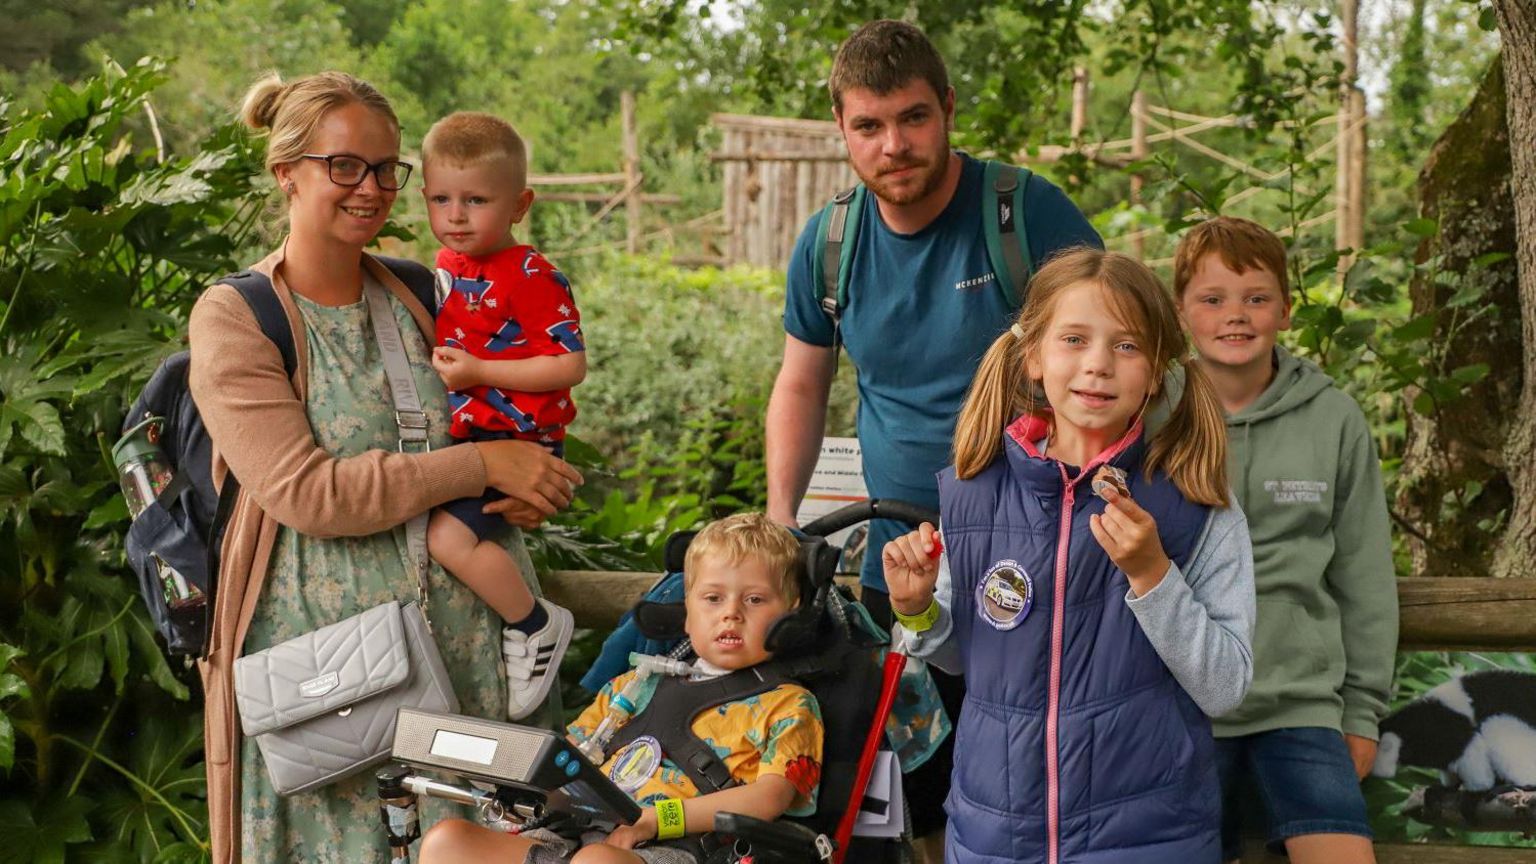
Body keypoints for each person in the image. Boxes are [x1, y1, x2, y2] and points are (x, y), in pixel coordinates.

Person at [188, 71, 582, 863]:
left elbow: (510, 419)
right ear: (286, 172)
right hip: (341, 695)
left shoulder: (422, 291)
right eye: (344, 166)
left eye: (386, 168)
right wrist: (478, 466)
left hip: (477, 673)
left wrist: (531, 481)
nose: (370, 189)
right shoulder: (239, 319)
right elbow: (310, 495)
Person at [764, 19, 1102, 846]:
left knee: (1039, 769)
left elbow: (1113, 353)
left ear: (948, 110)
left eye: (913, 118)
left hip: (1032, 547)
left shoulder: (1024, 214)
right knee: (915, 787)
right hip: (900, 558)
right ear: (841, 130)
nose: (894, 145)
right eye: (869, 126)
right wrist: (780, 517)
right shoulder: (831, 242)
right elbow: (803, 382)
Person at [883, 248, 1256, 863]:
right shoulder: (974, 491)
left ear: (1158, 370)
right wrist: (917, 607)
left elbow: (1224, 686)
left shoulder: (1194, 504)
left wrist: (1152, 574)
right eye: (1074, 339)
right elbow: (958, 656)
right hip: (992, 839)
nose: (1098, 366)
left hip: (1148, 839)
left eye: (1127, 346)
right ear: (1034, 357)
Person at [1172, 217, 1397, 864]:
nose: (1234, 316)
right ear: (1182, 312)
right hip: (1178, 706)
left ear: (1287, 311)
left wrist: (1361, 714)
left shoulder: (1333, 418)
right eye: (1212, 300)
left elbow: (1365, 577)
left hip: (1299, 706)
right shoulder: (1153, 413)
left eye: (1256, 298)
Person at [416, 512, 825, 864]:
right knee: (448, 841)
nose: (731, 614)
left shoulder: (789, 704)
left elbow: (770, 798)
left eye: (754, 600)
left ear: (791, 615)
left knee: (596, 860)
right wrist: (517, 788)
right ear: (687, 613)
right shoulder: (635, 685)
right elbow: (566, 759)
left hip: (680, 847)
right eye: (713, 598)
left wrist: (656, 820)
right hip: (577, 834)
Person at [419, 111, 584, 720]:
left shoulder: (532, 276)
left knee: (448, 537)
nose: (456, 215)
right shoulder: (448, 263)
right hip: (477, 438)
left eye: (476, 200)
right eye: (441, 198)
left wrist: (479, 374)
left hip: (522, 438)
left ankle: (534, 624)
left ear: (519, 204)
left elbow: (569, 365)